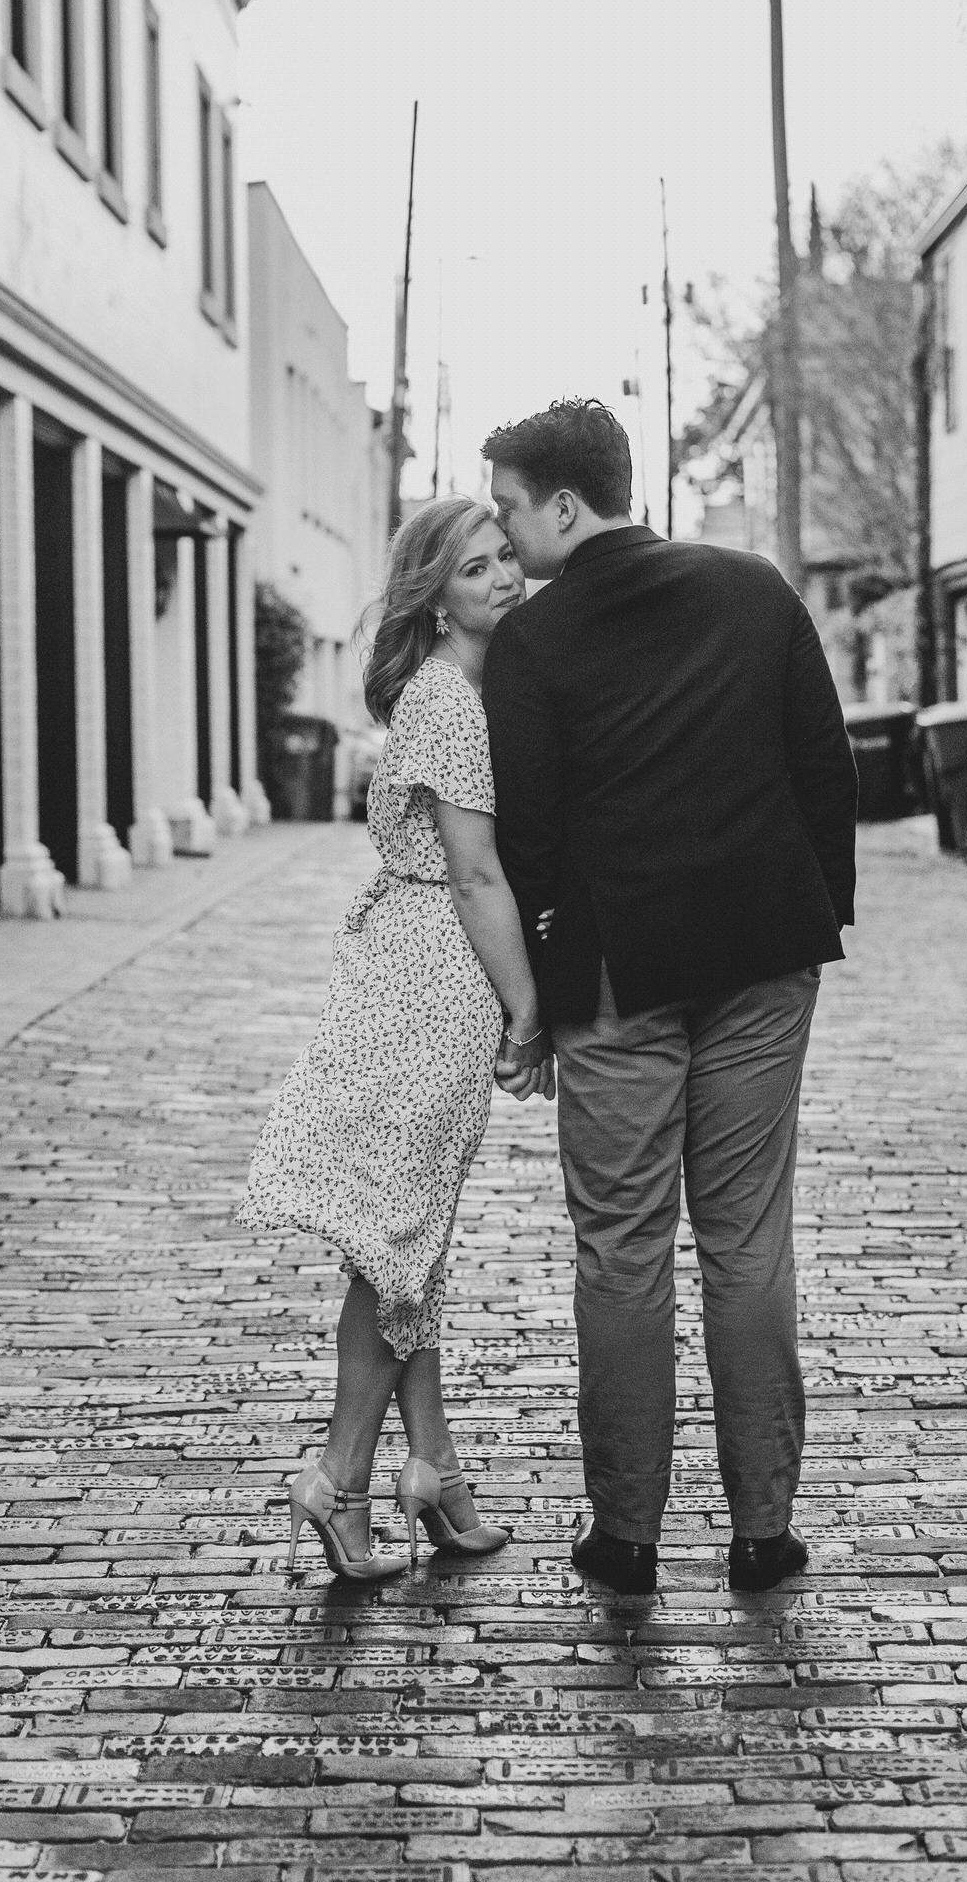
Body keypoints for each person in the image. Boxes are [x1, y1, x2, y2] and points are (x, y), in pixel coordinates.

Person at [482, 399, 858, 1595]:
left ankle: (627, 1536)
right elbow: (824, 768)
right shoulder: (754, 589)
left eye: (507, 509)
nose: (504, 536)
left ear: (562, 505)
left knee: (621, 1252)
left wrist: (537, 1000)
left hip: (613, 977)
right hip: (762, 956)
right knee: (747, 1241)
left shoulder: (533, 641)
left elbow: (528, 838)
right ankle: (761, 1530)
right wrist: (812, 919)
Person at [238, 497, 553, 1583]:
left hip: (411, 966)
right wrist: (527, 1009)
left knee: (406, 1238)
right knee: (395, 1241)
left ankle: (435, 1470)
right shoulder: (450, 700)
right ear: (436, 596)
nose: (504, 577)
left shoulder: (456, 687)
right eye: (475, 569)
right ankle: (338, 1477)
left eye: (506, 556)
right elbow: (475, 873)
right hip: (434, 981)